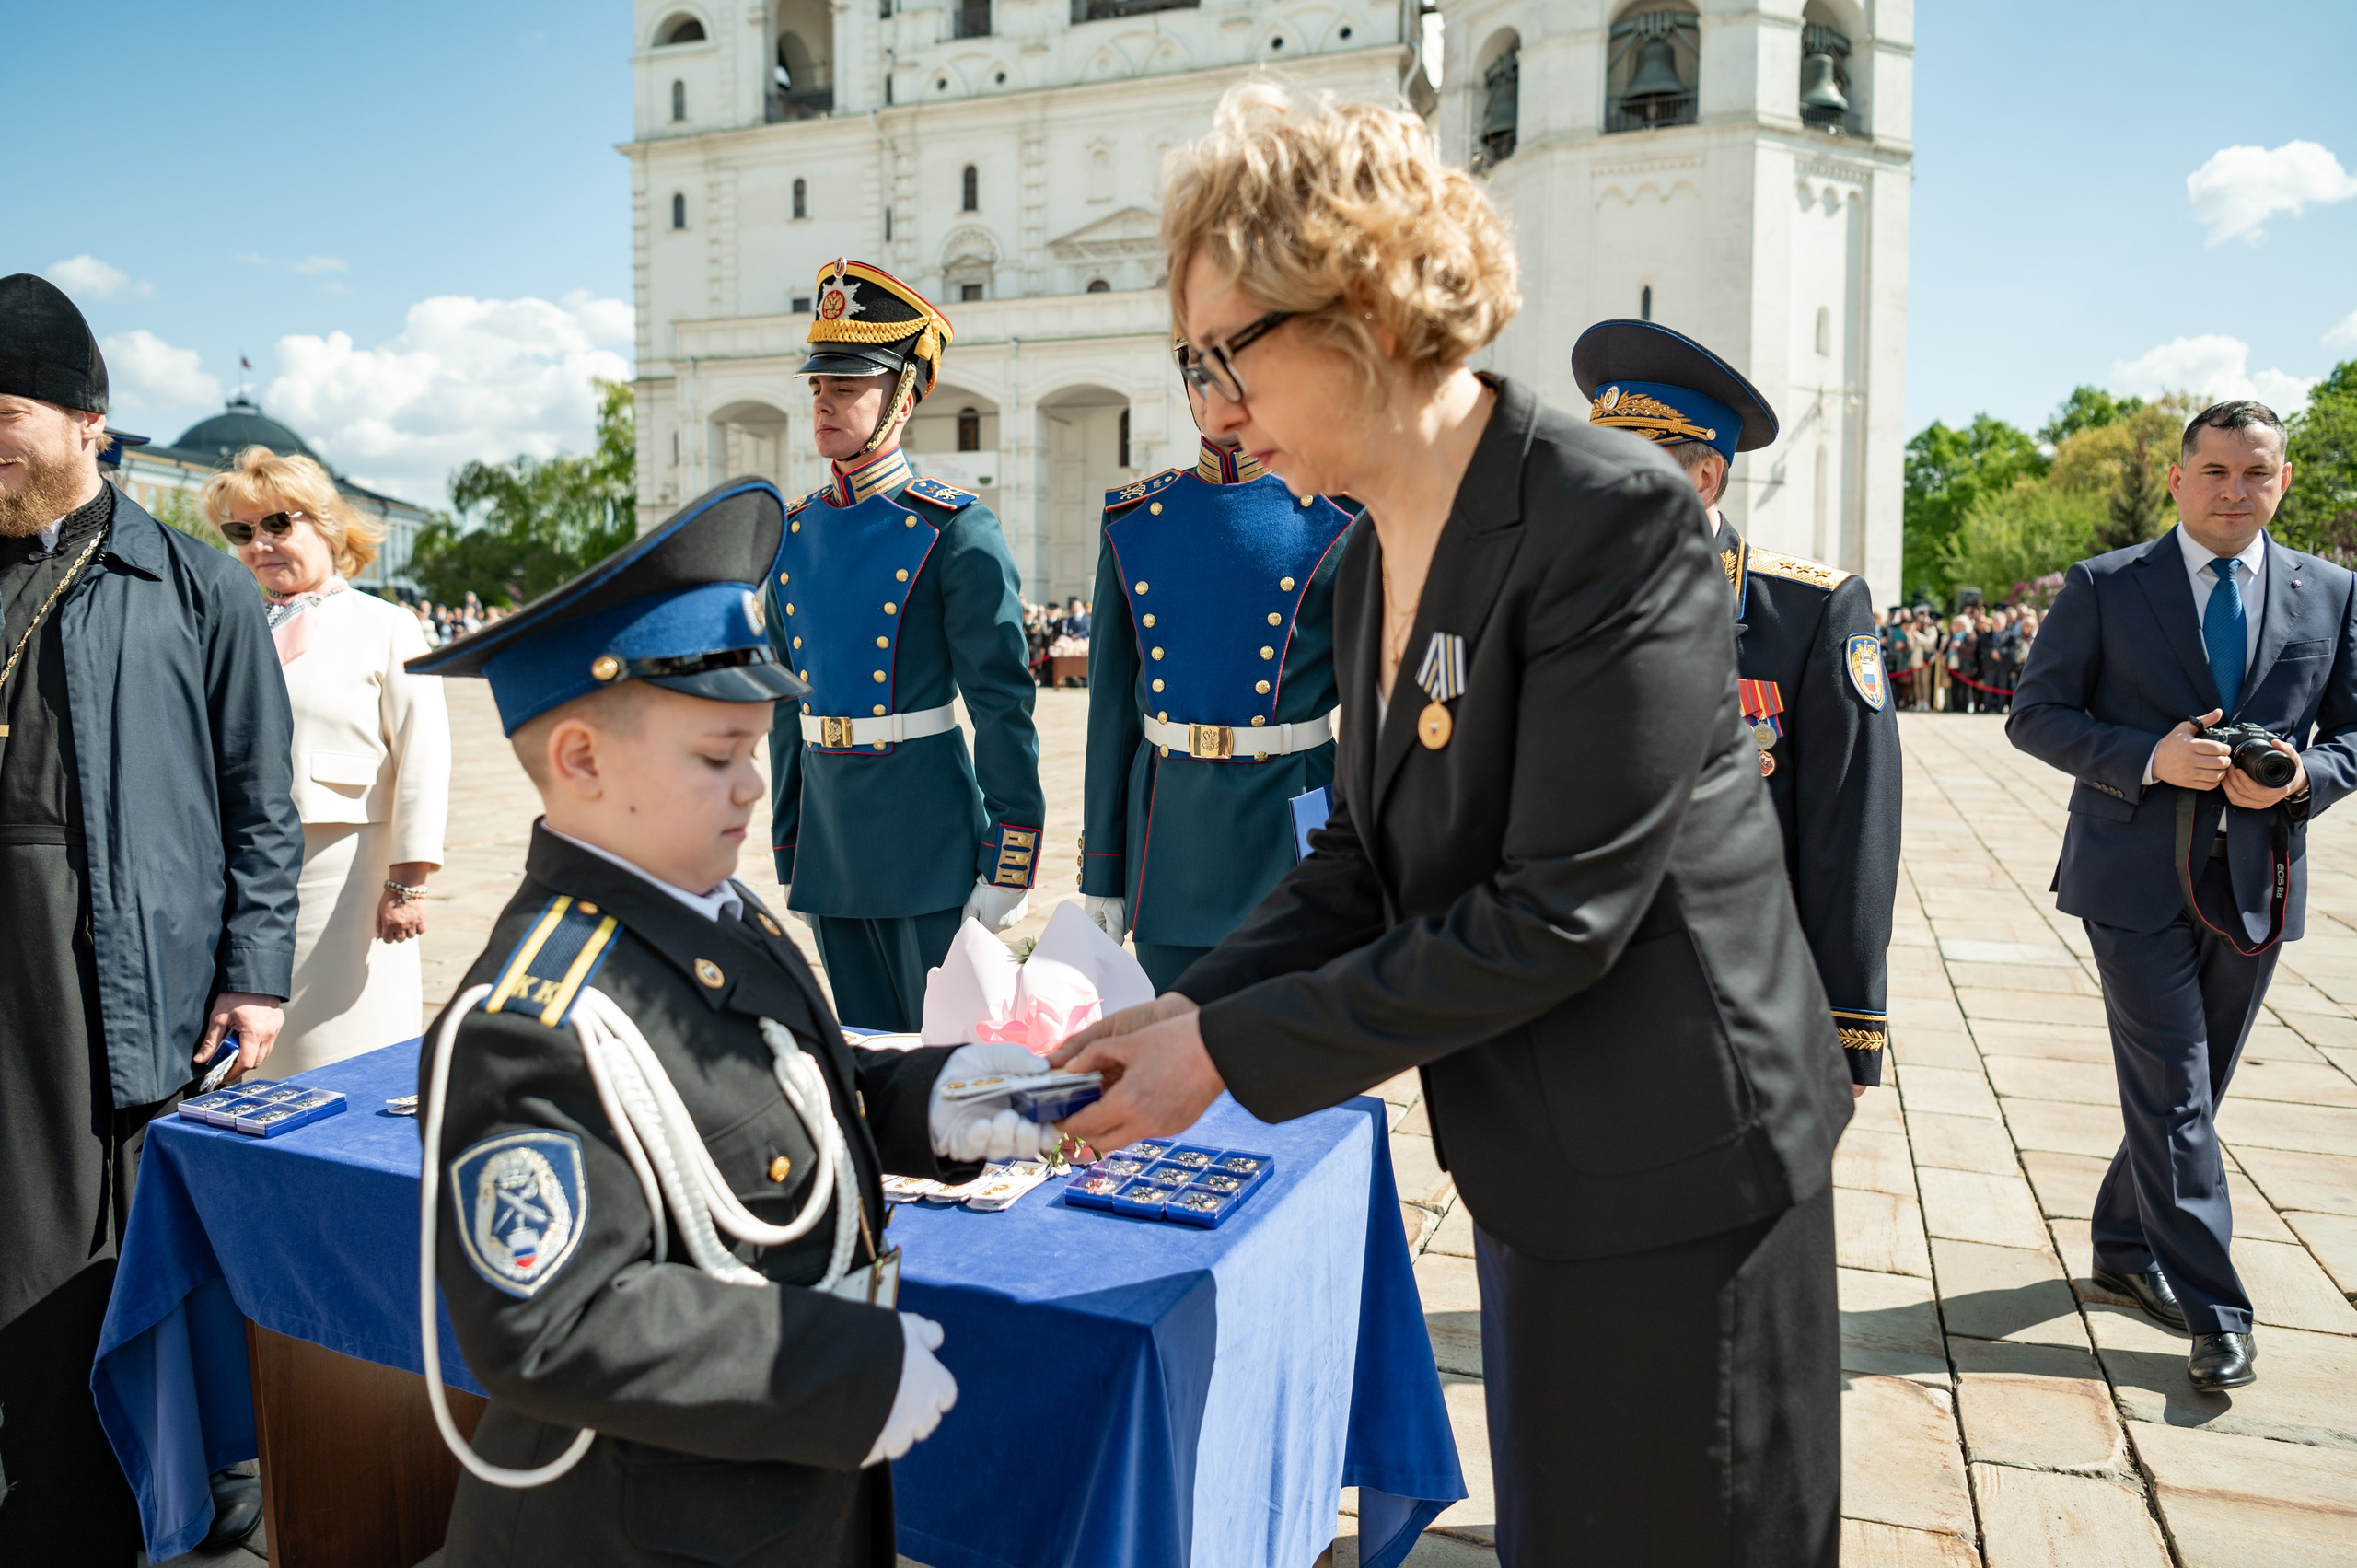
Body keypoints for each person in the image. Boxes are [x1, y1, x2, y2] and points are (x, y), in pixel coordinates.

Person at [1051, 87, 1852, 1567]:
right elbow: (1366, 857)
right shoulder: (1368, 559)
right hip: (1541, 1156)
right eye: (1194, 366)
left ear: (1358, 306)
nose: (1213, 408)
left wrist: (1223, 1056)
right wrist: (1189, 1004)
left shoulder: (1612, 516)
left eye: (1226, 355)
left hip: (1681, 1166)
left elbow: (1561, 911)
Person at [408, 477, 1062, 1566]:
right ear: (581, 759)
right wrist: (843, 1366)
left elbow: (786, 1085)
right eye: (718, 755)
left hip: (774, 1487)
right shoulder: (529, 1022)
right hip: (648, 1530)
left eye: (757, 749)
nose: (754, 786)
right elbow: (553, 1324)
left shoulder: (712, 907)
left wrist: (936, 1097)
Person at [0, 274, 302, 1560]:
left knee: (96, 1280)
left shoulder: (193, 583)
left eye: (3, 416)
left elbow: (261, 799)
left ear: (89, 421)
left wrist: (257, 972)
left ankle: (121, 1515)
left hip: (123, 980)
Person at [2008, 400, 2357, 1394]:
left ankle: (2124, 1244)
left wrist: (2300, 777)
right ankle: (2217, 1311)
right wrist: (2148, 756)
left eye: (2255, 473)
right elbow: (2034, 715)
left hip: (2258, 883)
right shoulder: (2105, 584)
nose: (2234, 491)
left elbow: (2351, 734)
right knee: (2176, 1092)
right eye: (2215, 471)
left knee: (2191, 1093)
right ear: (2177, 478)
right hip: (2130, 879)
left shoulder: (2332, 591)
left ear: (2282, 480)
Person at [1572, 319, 1901, 1092]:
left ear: (1705, 478)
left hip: (1732, 1003)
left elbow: (1851, 829)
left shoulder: (1811, 612)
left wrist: (1847, 1025)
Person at [766, 260, 1044, 1030]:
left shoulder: (952, 528)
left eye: (848, 384)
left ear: (904, 396)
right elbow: (786, 709)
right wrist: (792, 843)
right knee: (865, 1058)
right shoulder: (792, 533)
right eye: (818, 385)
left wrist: (1011, 851)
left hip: (929, 844)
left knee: (949, 1063)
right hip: (831, 843)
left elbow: (1002, 702)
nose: (825, 401)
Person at [1080, 341, 1353, 991]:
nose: (1214, 394)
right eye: (1197, 375)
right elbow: (1111, 712)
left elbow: (1377, 710)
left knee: (1291, 1041)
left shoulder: (1339, 516)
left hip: (1294, 827)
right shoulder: (1134, 520)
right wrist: (1104, 870)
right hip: (1172, 839)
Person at [210, 447, 450, 1072]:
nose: (260, 544)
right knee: (251, 1061)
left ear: (327, 524)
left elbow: (424, 756)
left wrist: (409, 881)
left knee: (337, 1050)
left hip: (347, 873)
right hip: (237, 868)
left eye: (277, 523)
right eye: (242, 531)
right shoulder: (225, 626)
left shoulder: (387, 625)